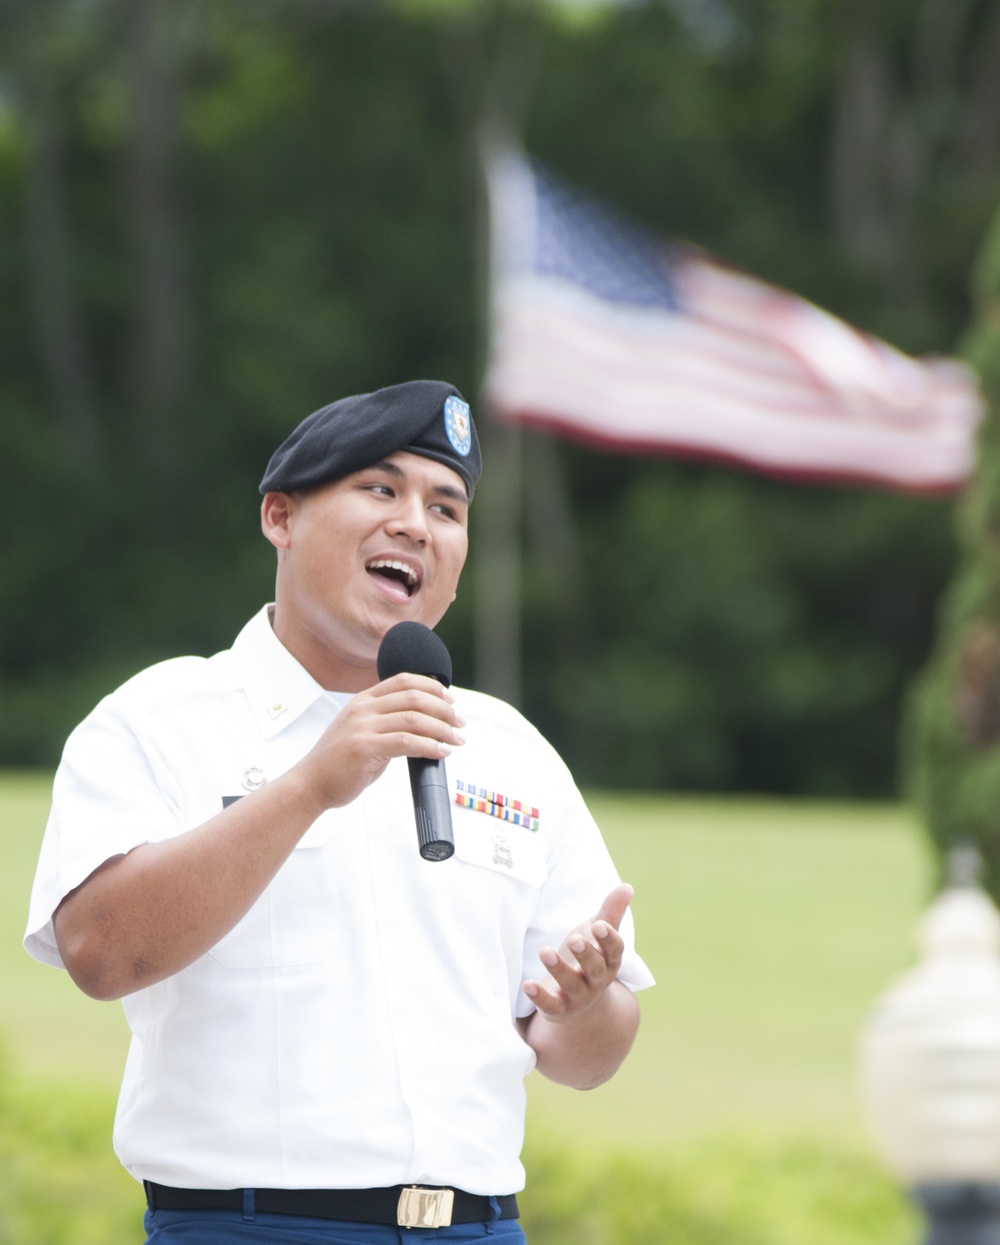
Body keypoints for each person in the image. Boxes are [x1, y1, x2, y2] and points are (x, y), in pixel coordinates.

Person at [24, 379, 654, 1244]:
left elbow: (589, 1058)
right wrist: (312, 783)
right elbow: (100, 950)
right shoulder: (158, 719)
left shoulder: (511, 749)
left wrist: (583, 1004)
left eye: (446, 506)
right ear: (280, 517)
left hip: (478, 1227)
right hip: (248, 1227)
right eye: (380, 489)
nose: (415, 524)